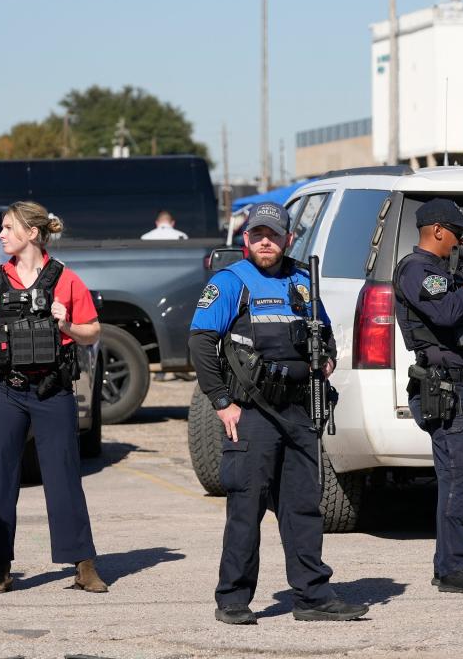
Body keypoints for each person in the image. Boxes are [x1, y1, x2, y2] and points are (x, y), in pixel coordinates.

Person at [188, 202, 369, 625]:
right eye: (257, 235)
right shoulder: (231, 281)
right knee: (245, 508)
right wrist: (221, 402)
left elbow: (323, 334)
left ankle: (312, 597)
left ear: (289, 239)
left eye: (273, 234)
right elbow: (200, 343)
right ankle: (233, 598)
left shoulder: (306, 282)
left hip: (299, 410)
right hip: (251, 412)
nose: (264, 241)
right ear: (246, 239)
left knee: (304, 507)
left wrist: (326, 361)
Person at [0, 201, 107, 595]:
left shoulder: (64, 278)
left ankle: (84, 565)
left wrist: (65, 323)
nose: (1, 234)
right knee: (0, 478)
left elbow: (92, 332)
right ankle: (0, 569)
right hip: (7, 389)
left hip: (52, 389)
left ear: (31, 233)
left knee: (63, 476)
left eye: (8, 227)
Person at [393, 197, 463, 594]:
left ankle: (450, 563)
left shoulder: (443, 272)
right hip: (445, 389)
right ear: (437, 230)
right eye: (456, 232)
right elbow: (447, 313)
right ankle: (453, 569)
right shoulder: (418, 270)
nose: (459, 241)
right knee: (456, 479)